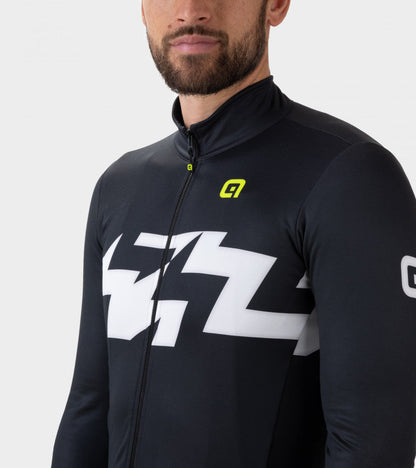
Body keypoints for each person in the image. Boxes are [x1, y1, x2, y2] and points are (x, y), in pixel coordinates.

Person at [51, 1, 416, 467]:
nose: (190, 10)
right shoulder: (119, 186)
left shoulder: (351, 177)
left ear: (276, 5)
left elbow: (374, 445)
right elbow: (88, 409)